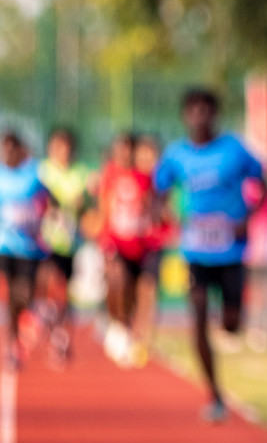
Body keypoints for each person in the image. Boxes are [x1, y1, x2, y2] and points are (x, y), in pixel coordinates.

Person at [154, 88, 265, 421]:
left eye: (206, 110)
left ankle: (230, 321)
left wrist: (248, 216)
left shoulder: (234, 150)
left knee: (231, 324)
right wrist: (162, 212)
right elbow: (158, 190)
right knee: (198, 314)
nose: (200, 116)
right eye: (193, 111)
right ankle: (214, 393)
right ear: (185, 116)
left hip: (231, 250)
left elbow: (264, 182)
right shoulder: (176, 155)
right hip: (196, 251)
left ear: (214, 114)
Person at [0, 129, 49, 370]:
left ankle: (24, 325)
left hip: (29, 246)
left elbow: (48, 201)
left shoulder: (35, 173)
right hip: (2, 243)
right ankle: (12, 343)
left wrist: (35, 217)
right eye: (3, 149)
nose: (7, 154)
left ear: (20, 149)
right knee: (8, 295)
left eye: (11, 148)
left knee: (25, 293)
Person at [93, 132, 152, 364]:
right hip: (114, 240)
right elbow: (103, 207)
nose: (124, 153)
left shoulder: (144, 176)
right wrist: (102, 234)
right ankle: (115, 324)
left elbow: (150, 205)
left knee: (133, 291)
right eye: (120, 148)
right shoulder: (110, 174)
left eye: (128, 149)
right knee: (117, 280)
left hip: (137, 243)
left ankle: (125, 324)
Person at [36, 126, 91, 366]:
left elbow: (87, 202)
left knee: (63, 292)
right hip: (42, 240)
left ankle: (61, 336)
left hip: (70, 242)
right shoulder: (42, 172)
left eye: (66, 148)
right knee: (49, 282)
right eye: (58, 147)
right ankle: (48, 318)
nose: (62, 152)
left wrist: (81, 204)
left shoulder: (82, 173)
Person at [128, 133, 171, 367]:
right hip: (132, 242)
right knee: (131, 287)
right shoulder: (130, 178)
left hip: (154, 242)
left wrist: (165, 217)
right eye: (143, 153)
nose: (148, 158)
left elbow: (169, 209)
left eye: (152, 154)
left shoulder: (162, 181)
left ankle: (144, 337)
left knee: (149, 288)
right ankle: (128, 327)